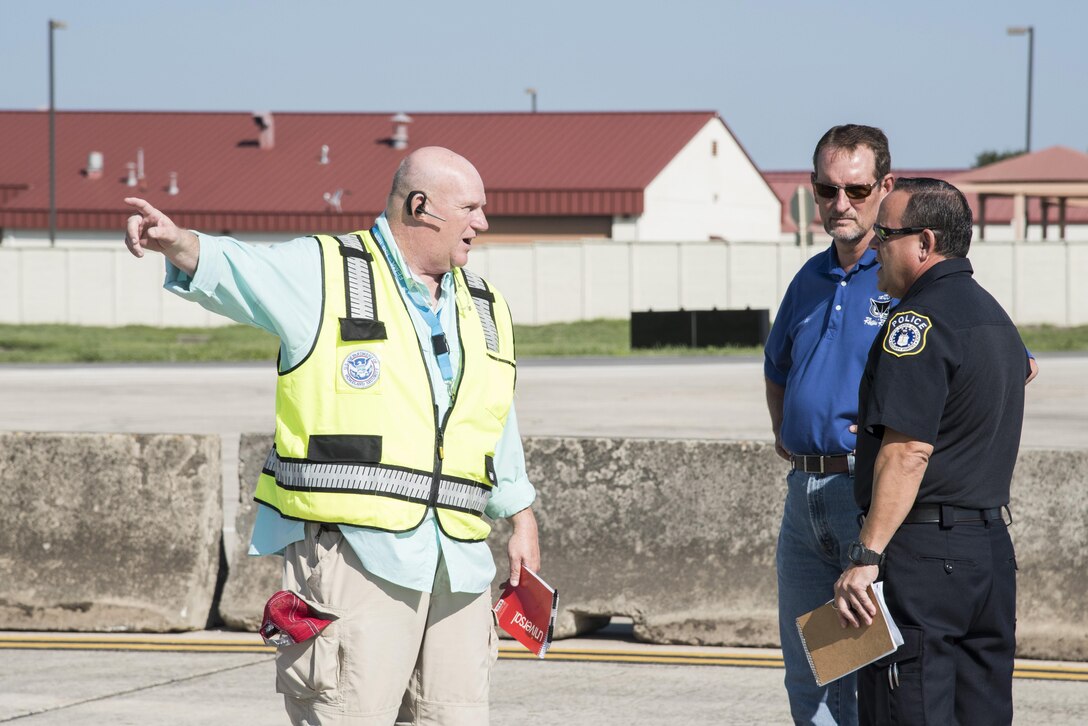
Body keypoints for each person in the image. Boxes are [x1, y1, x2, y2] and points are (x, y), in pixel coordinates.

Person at [123, 146, 540, 726]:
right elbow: (242, 269)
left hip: (459, 565)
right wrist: (177, 242)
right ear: (420, 206)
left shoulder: (484, 304)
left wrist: (520, 515)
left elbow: (496, 414)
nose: (483, 223)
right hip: (357, 557)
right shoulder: (327, 271)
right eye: (470, 208)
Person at [833, 177, 1029, 725]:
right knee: (982, 710)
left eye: (885, 236)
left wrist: (867, 556)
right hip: (988, 552)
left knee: (906, 705)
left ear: (924, 243)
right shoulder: (994, 317)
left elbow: (908, 451)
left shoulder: (916, 321)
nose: (874, 248)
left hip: (922, 555)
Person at [763, 124, 895, 726]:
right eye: (826, 189)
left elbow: (1000, 360)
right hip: (804, 496)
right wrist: (786, 438)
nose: (840, 204)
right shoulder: (810, 278)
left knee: (864, 671)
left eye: (856, 189)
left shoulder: (905, 273)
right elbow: (777, 366)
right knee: (808, 675)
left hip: (862, 497)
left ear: (884, 187)